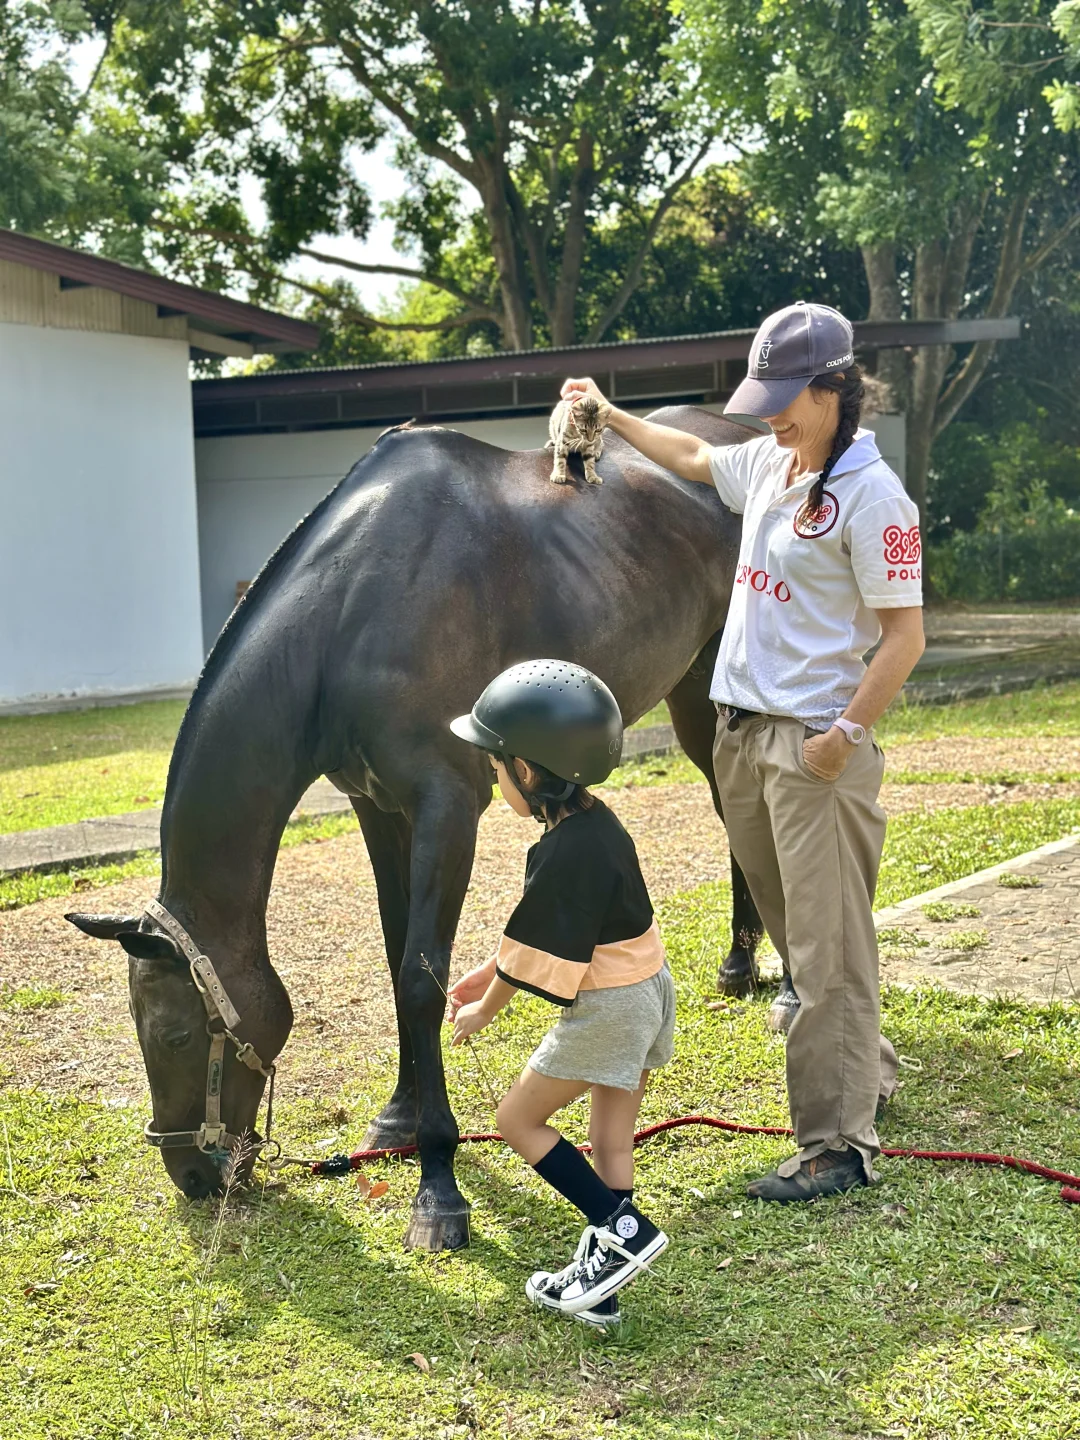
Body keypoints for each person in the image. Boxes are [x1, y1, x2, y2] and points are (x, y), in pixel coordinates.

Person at [561, 301, 925, 1203]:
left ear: (839, 389)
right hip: (742, 739)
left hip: (812, 750)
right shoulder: (772, 460)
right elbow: (693, 457)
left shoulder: (877, 500)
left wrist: (842, 739)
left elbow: (905, 637)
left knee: (829, 945)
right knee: (802, 941)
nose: (770, 413)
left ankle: (837, 1145)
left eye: (788, 397)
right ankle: (860, 1074)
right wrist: (611, 416)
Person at [447, 659, 674, 1326]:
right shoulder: (592, 823)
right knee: (610, 1140)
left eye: (496, 766)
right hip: (646, 990)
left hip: (610, 1006)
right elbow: (558, 928)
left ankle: (624, 1229)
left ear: (528, 770)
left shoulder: (563, 851)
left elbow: (545, 950)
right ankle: (603, 1283)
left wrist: (484, 1008)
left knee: (517, 1121)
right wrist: (489, 971)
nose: (494, 778)